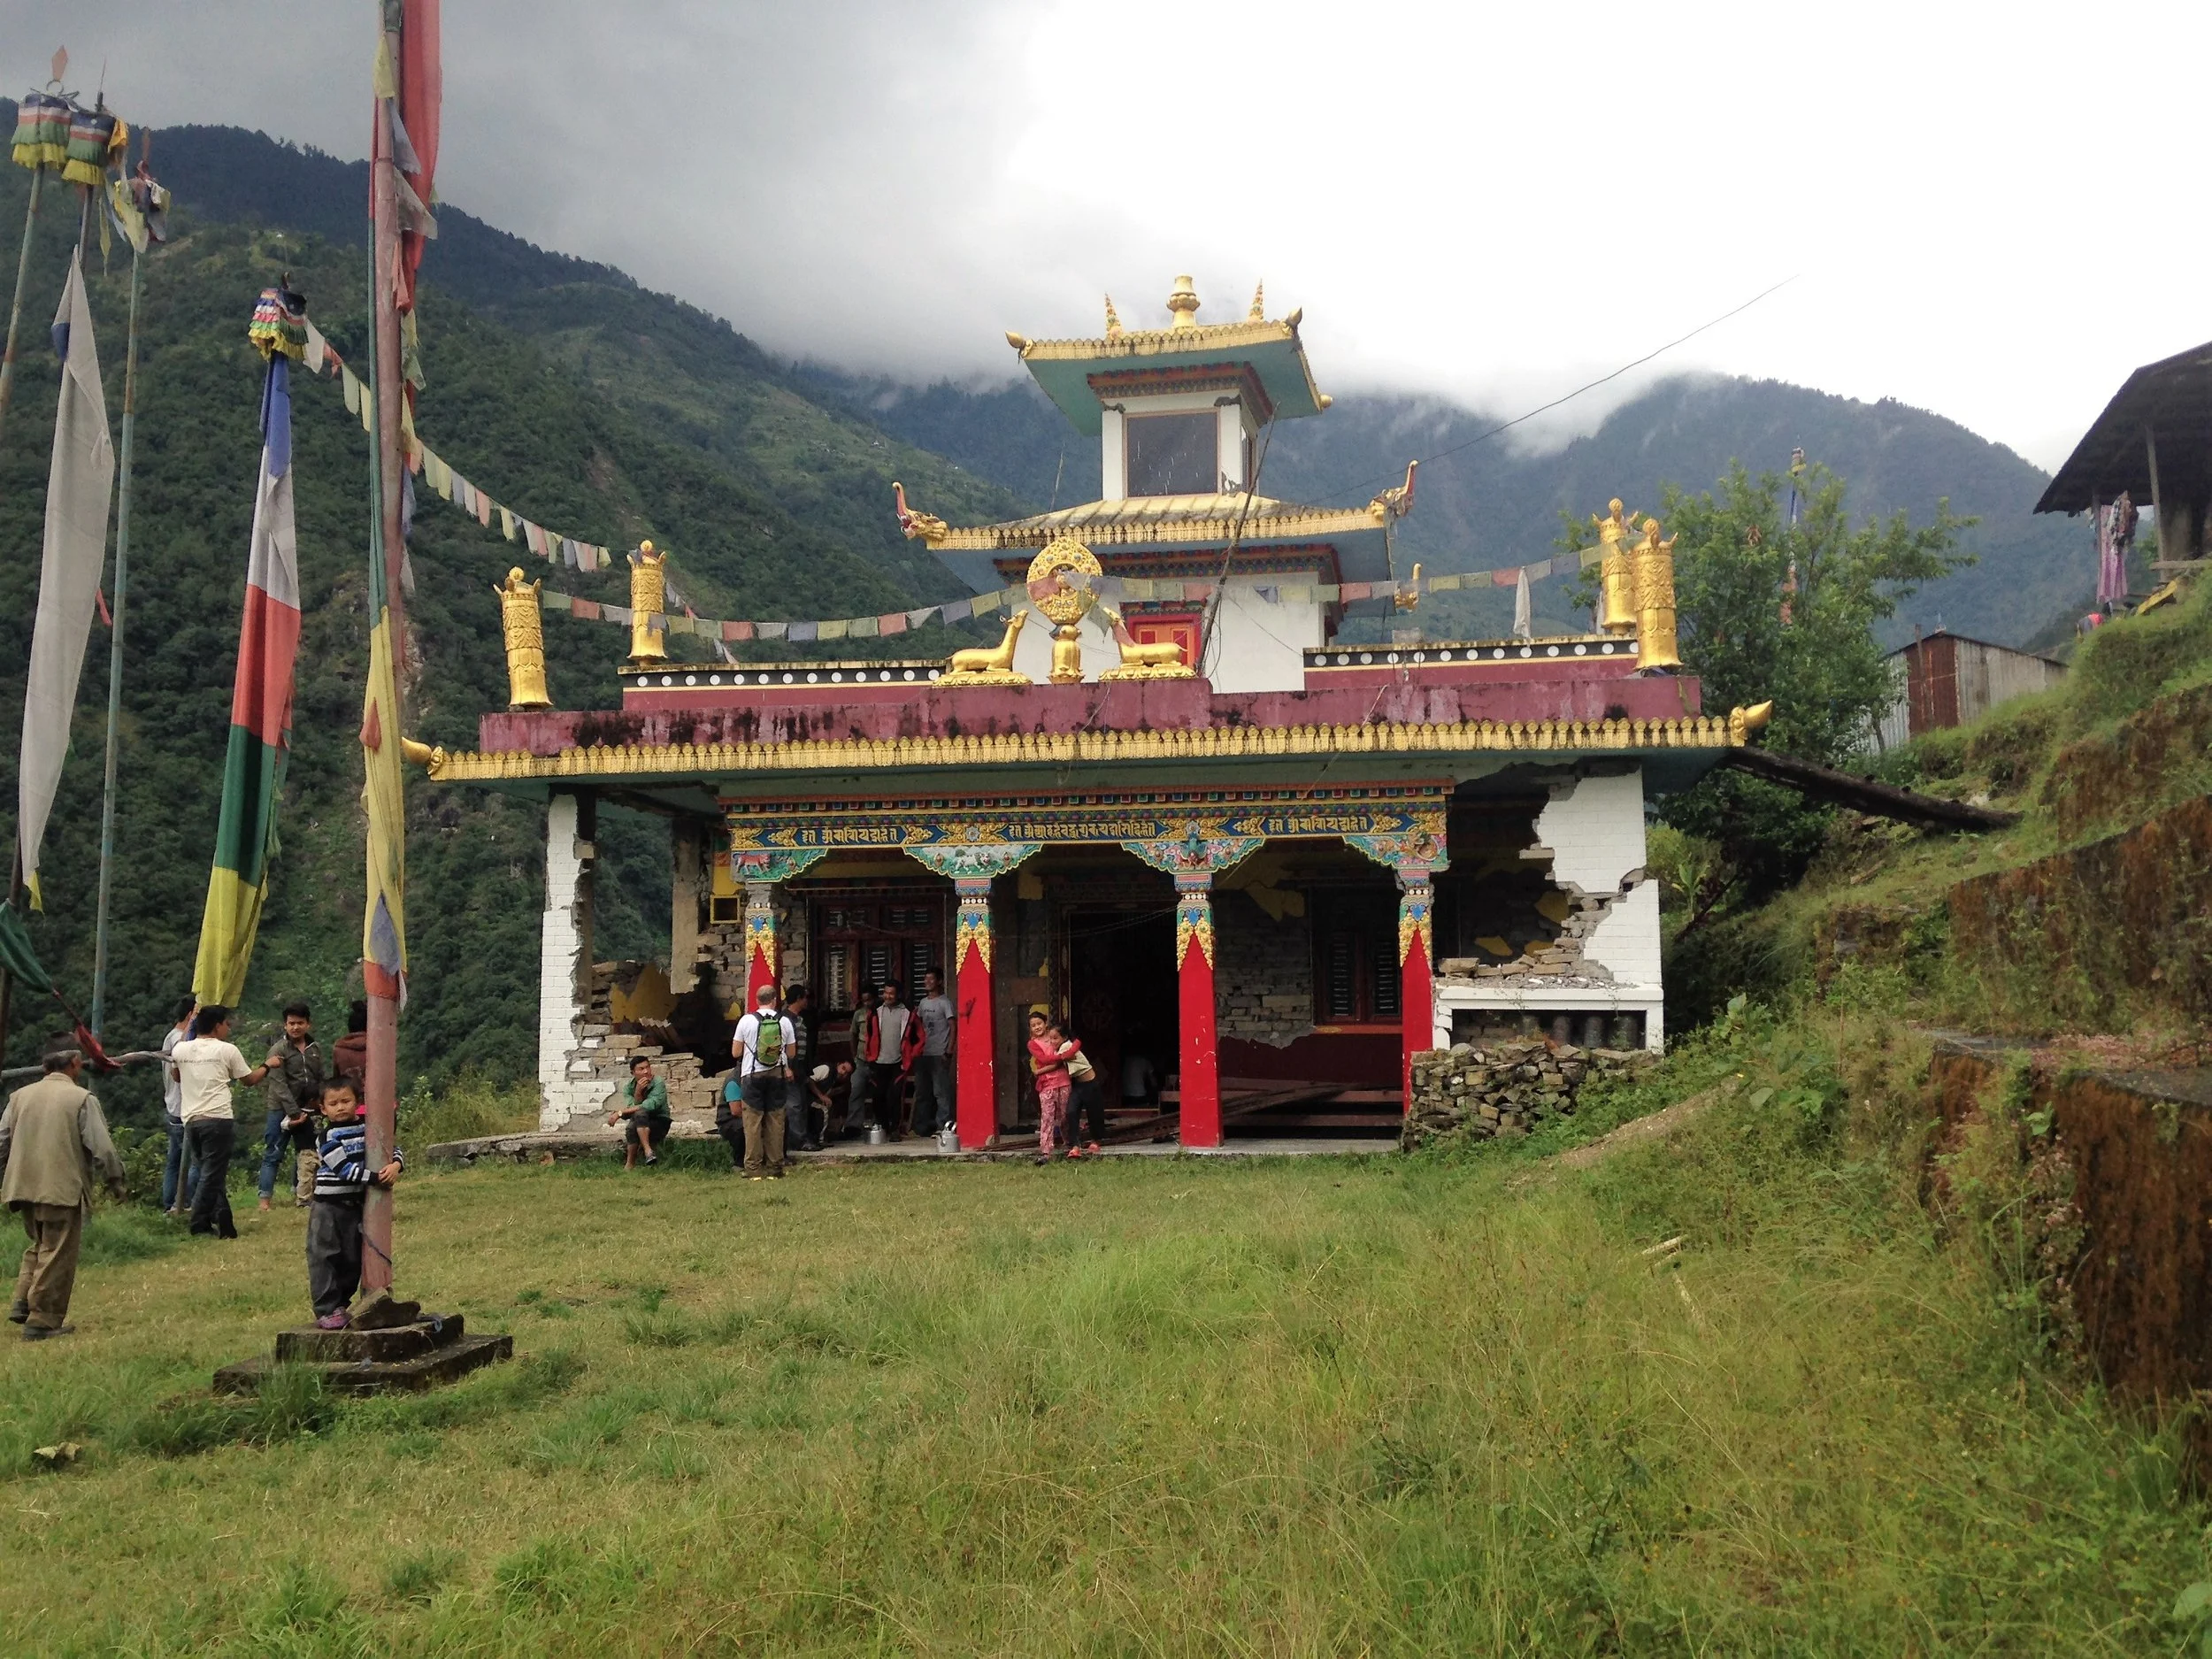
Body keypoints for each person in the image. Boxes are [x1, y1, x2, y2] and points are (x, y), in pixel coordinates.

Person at [1, 1035, 127, 1340]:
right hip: (60, 1187)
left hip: (22, 1185)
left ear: (45, 1065)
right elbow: (104, 1149)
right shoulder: (81, 1098)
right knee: (58, 1252)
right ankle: (42, 1319)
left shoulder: (19, 1096)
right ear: (74, 1064)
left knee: (42, 1243)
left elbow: (2, 1140)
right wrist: (116, 1181)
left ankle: (22, 1299)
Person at [305, 1075, 402, 1330]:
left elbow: (391, 1148)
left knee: (352, 1257)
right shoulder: (326, 1137)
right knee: (325, 1257)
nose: (341, 1107)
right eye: (333, 1103)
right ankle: (326, 1309)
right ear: (323, 1109)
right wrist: (377, 1178)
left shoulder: (368, 1127)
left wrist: (395, 1165)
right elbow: (343, 1169)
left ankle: (343, 1305)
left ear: (357, 1102)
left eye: (346, 1101)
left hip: (355, 1206)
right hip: (328, 1207)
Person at [173, 1006, 273, 1239]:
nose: (228, 1028)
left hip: (191, 1119)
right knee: (211, 1174)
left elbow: (176, 1076)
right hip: (217, 1117)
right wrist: (268, 1066)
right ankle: (199, 1223)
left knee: (211, 1173)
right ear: (218, 1025)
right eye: (227, 1024)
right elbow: (248, 1080)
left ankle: (225, 1224)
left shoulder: (181, 1049)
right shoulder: (227, 1050)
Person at [258, 1002, 326, 1211]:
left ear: (308, 1024)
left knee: (306, 1152)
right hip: (281, 1109)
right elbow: (279, 1084)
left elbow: (320, 1077)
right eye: (291, 1023)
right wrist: (294, 1113)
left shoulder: (315, 1048)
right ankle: (264, 1200)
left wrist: (319, 1102)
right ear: (285, 1025)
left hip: (308, 1108)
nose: (295, 1027)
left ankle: (300, 1193)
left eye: (300, 1023)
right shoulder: (278, 1050)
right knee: (274, 1152)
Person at [732, 984, 795, 1179]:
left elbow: (735, 1053)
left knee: (753, 1123)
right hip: (777, 1075)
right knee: (776, 1122)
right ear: (775, 1000)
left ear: (756, 1000)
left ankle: (753, 1169)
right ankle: (775, 1168)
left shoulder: (746, 1021)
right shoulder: (784, 1022)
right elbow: (791, 1053)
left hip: (752, 1076)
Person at [857, 979, 923, 1137]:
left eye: (891, 993)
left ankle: (894, 1129)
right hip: (878, 1061)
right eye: (886, 993)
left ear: (898, 994)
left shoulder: (908, 1012)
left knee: (894, 1097)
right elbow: (869, 1034)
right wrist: (869, 1055)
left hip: (898, 1063)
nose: (888, 996)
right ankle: (882, 1127)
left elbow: (920, 1037)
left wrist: (911, 1056)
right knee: (878, 1096)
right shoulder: (875, 1011)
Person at [159, 995, 197, 1216]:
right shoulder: (181, 1041)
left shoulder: (170, 1037)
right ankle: (183, 1203)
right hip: (183, 1109)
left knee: (174, 1161)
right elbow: (179, 1075)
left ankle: (170, 1204)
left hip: (172, 1107)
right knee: (194, 1162)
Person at [912, 969, 956, 1138]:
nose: (928, 982)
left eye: (931, 979)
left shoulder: (945, 1002)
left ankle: (943, 1126)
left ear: (939, 981)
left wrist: (949, 1050)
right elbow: (916, 1027)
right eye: (926, 979)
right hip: (923, 1053)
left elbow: (953, 1027)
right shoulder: (923, 1003)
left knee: (941, 1092)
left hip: (940, 1053)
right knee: (923, 1092)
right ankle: (923, 1126)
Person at [1026, 1010, 1072, 1164]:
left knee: (1066, 1115)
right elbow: (1044, 1059)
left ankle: (1069, 1145)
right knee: (1047, 1118)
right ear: (1030, 1029)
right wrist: (1059, 1059)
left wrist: (1040, 1070)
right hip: (1047, 1084)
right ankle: (1046, 1151)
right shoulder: (1032, 1044)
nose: (1037, 1027)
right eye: (1033, 1025)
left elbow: (1067, 1053)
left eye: (1039, 1023)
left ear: (1046, 1023)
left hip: (1064, 1081)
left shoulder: (1054, 1036)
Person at [608, 1056, 670, 1169]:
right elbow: (633, 1110)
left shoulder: (658, 1082)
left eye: (648, 1067)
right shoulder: (629, 1087)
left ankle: (646, 1151)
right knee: (632, 1125)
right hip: (640, 1121)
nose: (646, 1071)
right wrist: (637, 1092)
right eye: (641, 1069)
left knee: (640, 1114)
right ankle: (635, 1161)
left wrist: (619, 1113)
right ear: (633, 1072)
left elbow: (649, 1106)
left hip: (660, 1120)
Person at [1059, 1024, 1107, 1153]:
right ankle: (1075, 1145)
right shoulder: (1064, 1048)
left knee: (1094, 1113)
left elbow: (1058, 1058)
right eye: (1050, 1039)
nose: (1052, 1042)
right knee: (1071, 1111)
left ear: (1064, 1038)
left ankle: (1095, 1142)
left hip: (1090, 1083)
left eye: (1055, 1038)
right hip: (1077, 1085)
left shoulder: (1066, 1046)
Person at [782, 984, 818, 1152]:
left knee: (802, 1104)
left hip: (801, 1067)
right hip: (790, 1067)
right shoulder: (784, 1020)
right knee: (794, 1104)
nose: (806, 1001)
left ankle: (802, 1136)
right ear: (798, 999)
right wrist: (786, 1067)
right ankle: (798, 1140)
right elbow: (781, 1046)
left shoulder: (800, 1019)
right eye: (805, 997)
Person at [333, 1000, 369, 1091]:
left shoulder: (339, 1049)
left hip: (348, 1099)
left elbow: (336, 1080)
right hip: (377, 1099)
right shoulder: (379, 1047)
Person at [1121, 1047, 1161, 1115]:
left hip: (1125, 1096)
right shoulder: (1145, 1061)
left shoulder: (1125, 1060)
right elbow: (1153, 1082)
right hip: (1141, 1097)